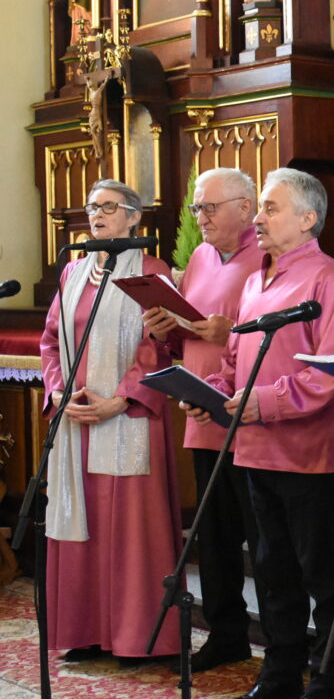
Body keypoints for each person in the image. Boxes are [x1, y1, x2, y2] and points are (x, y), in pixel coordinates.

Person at [188, 167, 334, 699]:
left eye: (270, 208)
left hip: (309, 453)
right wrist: (211, 393)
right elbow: (238, 357)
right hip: (253, 451)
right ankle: (280, 673)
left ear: (308, 219)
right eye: (259, 207)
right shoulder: (256, 280)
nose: (258, 219)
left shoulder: (330, 281)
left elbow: (331, 372)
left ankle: (331, 677)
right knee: (272, 570)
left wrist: (262, 402)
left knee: (317, 570)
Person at [39, 179, 183, 663]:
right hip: (76, 417)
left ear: (134, 218)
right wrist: (59, 393)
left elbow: (159, 346)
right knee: (81, 524)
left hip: (128, 419)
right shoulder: (73, 273)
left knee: (129, 531)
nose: (95, 214)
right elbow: (50, 340)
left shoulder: (152, 270)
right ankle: (85, 632)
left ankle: (136, 637)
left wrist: (120, 400)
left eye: (107, 207)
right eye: (91, 206)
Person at [142, 167, 264, 673]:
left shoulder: (269, 254)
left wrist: (229, 329)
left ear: (246, 206)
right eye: (197, 209)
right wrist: (164, 330)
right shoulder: (198, 256)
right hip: (201, 412)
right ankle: (226, 635)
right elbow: (186, 338)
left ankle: (290, 643)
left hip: (254, 418)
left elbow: (288, 330)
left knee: (264, 539)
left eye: (209, 208)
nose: (201, 217)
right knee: (212, 540)